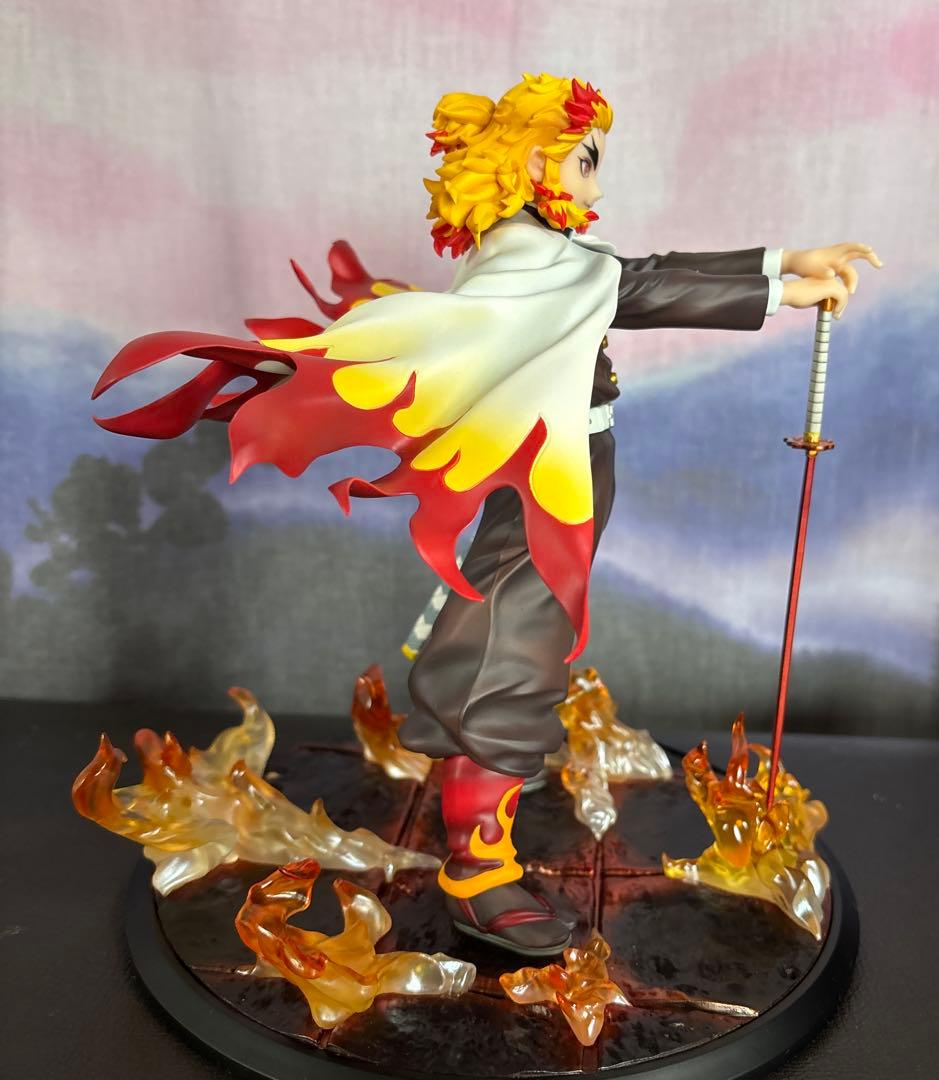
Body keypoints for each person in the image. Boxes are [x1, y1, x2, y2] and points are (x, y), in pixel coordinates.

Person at [92, 72, 880, 958]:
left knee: (521, 635)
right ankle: (478, 872)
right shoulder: (529, 259)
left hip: (557, 466)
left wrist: (782, 265)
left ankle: (485, 795)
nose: (596, 183)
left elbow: (633, 274)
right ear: (538, 161)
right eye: (586, 161)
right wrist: (783, 290)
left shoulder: (546, 255)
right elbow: (639, 286)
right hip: (544, 478)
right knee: (514, 651)